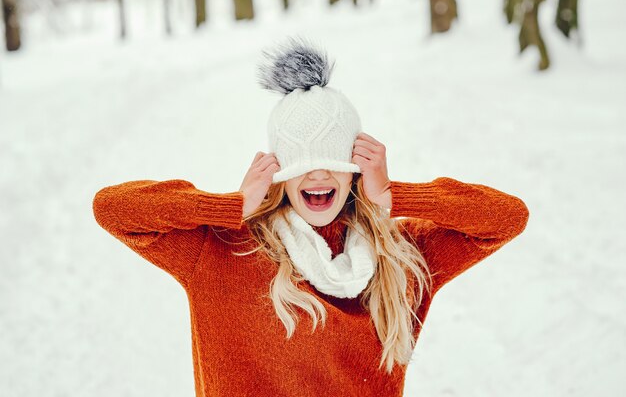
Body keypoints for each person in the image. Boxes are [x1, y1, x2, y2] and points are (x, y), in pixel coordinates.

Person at [92, 36, 529, 397]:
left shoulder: (400, 256)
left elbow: (507, 217)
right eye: (302, 161)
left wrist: (396, 196)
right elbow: (113, 208)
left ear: (355, 167)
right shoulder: (223, 249)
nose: (318, 173)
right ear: (280, 171)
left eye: (333, 158)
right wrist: (227, 208)